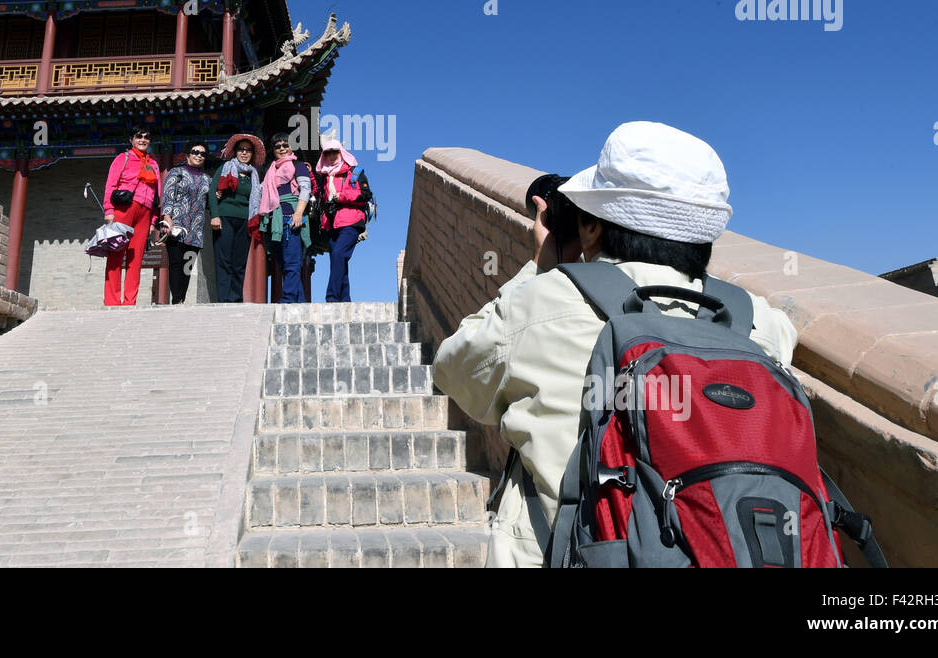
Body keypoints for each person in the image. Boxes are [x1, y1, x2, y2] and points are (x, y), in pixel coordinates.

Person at [432, 121, 799, 567]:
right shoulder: (760, 323)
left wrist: (539, 267)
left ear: (590, 229)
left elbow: (452, 369)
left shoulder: (540, 303)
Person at [250, 132, 312, 303]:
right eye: (278, 146)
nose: (282, 149)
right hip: (275, 220)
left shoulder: (298, 166)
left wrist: (298, 213)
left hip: (291, 217)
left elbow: (306, 189)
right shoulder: (272, 170)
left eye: (286, 145)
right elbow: (261, 191)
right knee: (284, 262)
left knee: (292, 261)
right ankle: (300, 301)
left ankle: (288, 299)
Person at [102, 128, 161, 306]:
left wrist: (153, 220)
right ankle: (112, 301)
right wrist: (109, 210)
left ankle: (130, 302)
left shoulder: (154, 164)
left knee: (135, 261)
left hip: (145, 213)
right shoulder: (123, 158)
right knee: (116, 255)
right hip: (124, 209)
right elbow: (111, 184)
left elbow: (157, 195)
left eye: (146, 137)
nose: (143, 140)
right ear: (131, 140)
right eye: (139, 136)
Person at [209, 133, 264, 303]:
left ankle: (235, 298)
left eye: (248, 150)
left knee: (239, 262)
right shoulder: (225, 168)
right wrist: (215, 215)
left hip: (245, 221)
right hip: (224, 218)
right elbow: (213, 192)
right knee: (224, 260)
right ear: (235, 152)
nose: (244, 153)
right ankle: (224, 298)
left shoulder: (254, 174)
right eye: (241, 149)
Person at [314, 136, 368, 302]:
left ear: (341, 153)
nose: (331, 155)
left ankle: (331, 296)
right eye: (328, 152)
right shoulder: (324, 177)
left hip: (351, 221)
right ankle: (345, 300)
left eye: (334, 152)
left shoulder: (355, 173)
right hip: (332, 223)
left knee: (338, 254)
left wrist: (341, 196)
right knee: (338, 260)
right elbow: (318, 195)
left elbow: (365, 195)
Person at [158, 141, 212, 304]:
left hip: (195, 229)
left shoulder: (206, 179)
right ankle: (176, 299)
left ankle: (181, 297)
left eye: (202, 153)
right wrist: (167, 218)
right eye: (195, 152)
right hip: (176, 225)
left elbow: (209, 202)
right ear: (188, 154)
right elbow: (167, 196)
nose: (199, 155)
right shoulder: (176, 172)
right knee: (176, 263)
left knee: (187, 267)